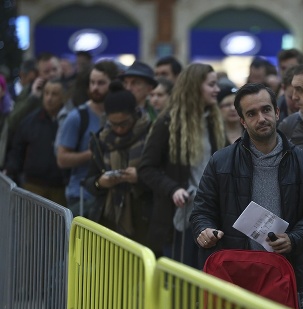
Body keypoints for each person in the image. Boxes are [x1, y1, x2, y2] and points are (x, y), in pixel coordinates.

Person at [190, 82, 303, 309]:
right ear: (243, 121)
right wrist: (205, 230)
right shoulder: (221, 161)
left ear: (277, 112)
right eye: (252, 113)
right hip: (235, 271)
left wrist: (294, 239)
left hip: (286, 271)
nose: (261, 118)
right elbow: (202, 210)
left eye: (266, 110)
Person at [138, 63, 226, 266]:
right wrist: (173, 189)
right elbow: (146, 168)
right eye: (211, 84)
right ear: (195, 87)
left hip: (211, 213)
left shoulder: (214, 120)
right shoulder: (168, 122)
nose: (217, 90)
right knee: (179, 285)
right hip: (179, 219)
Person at [83, 81, 152, 244]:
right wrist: (101, 182)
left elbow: (163, 177)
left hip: (144, 221)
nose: (120, 129)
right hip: (109, 222)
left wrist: (139, 178)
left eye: (124, 123)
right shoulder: (101, 140)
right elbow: (89, 181)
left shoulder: (151, 136)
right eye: (114, 124)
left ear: (135, 114)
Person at [56, 60, 119, 217]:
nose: (95, 88)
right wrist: (94, 153)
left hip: (110, 197)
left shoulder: (119, 115)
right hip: (82, 196)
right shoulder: (77, 116)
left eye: (101, 83)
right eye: (92, 82)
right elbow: (62, 158)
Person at [4, 79, 68, 206]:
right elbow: (17, 149)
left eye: (54, 94)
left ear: (63, 97)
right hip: (33, 185)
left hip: (60, 187)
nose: (49, 98)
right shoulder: (30, 121)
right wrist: (11, 170)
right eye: (46, 93)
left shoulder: (69, 120)